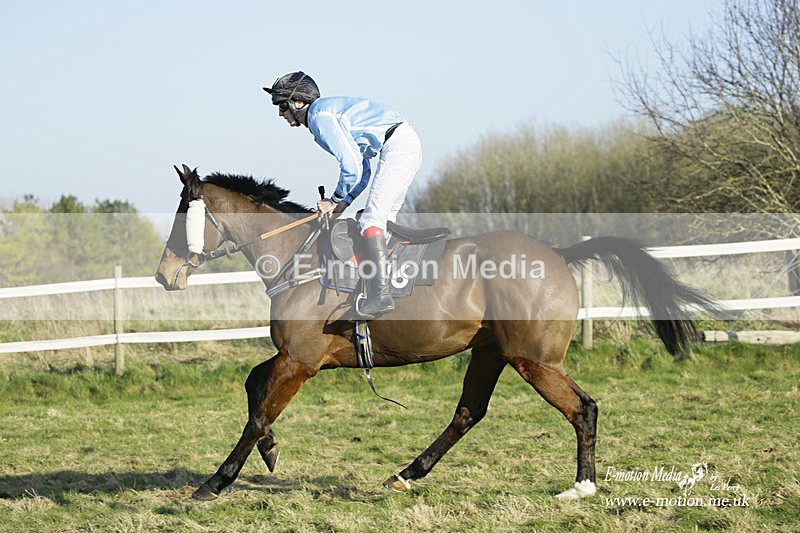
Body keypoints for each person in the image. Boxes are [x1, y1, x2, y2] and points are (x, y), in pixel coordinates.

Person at [264, 71, 422, 319]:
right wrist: (345, 202)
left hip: (397, 146)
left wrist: (334, 200)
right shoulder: (322, 117)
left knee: (371, 221)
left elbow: (352, 167)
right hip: (401, 144)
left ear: (298, 102)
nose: (280, 113)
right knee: (380, 222)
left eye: (282, 105)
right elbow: (364, 169)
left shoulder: (319, 117)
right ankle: (385, 287)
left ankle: (380, 296)